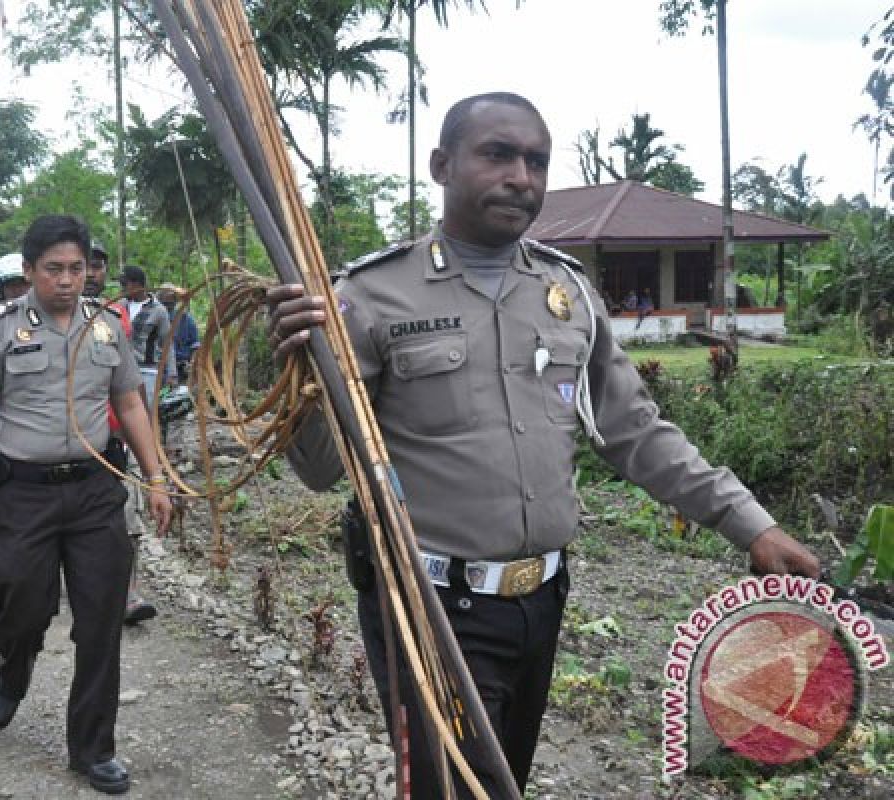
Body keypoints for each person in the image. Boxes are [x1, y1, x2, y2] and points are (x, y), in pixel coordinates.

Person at [266, 92, 820, 797]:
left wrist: (752, 524)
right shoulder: (369, 297)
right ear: (441, 165)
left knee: (507, 780)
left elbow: (636, 431)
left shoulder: (567, 291)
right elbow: (315, 470)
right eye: (497, 154)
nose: (520, 177)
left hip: (542, 600)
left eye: (536, 161)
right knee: (452, 789)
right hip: (429, 606)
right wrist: (301, 366)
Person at [0, 214, 172, 795]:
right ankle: (13, 667)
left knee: (100, 622)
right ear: (29, 271)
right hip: (26, 493)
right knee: (19, 600)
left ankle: (92, 748)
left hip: (96, 492)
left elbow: (131, 403)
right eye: (54, 270)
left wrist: (156, 476)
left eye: (76, 269)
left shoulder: (106, 327)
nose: (67, 281)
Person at [85, 248, 159, 627]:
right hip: (63, 449)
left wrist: (146, 435)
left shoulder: (115, 320)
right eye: (86, 265)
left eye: (98, 266)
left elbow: (128, 385)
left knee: (126, 519)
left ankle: (127, 593)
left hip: (111, 440)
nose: (91, 273)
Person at [120, 265, 177, 407]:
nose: (122, 289)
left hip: (147, 371)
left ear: (136, 284)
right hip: (123, 370)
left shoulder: (158, 311)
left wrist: (172, 374)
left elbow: (167, 343)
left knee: (147, 412)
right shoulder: (120, 306)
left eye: (124, 284)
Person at [158, 282, 200, 383]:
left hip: (182, 370)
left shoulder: (186, 319)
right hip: (159, 369)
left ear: (175, 301)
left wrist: (193, 363)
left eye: (170, 303)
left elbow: (195, 345)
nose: (167, 307)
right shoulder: (155, 318)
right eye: (164, 303)